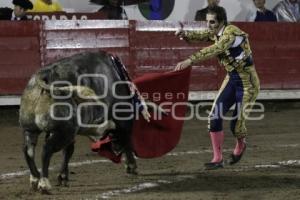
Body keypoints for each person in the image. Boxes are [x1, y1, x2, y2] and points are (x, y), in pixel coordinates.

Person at [175, 6, 260, 170]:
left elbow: (216, 49)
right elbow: (202, 35)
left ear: (221, 21)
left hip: (248, 83)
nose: (209, 26)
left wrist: (189, 60)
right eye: (207, 22)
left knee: (236, 125)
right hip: (231, 80)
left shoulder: (231, 33)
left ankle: (241, 144)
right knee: (214, 118)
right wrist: (185, 34)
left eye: (212, 22)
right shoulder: (216, 31)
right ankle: (217, 158)